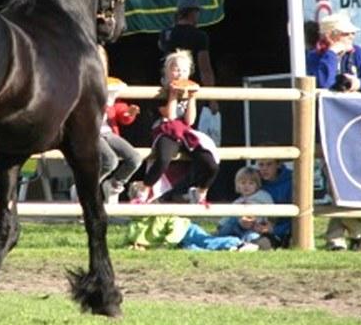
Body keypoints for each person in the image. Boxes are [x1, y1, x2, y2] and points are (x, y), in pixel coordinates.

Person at [306, 11, 361, 251]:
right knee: (334, 180)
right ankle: (350, 232)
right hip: (325, 127)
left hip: (353, 128)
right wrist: (331, 55)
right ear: (332, 36)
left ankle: (342, 236)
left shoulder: (359, 55)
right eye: (346, 33)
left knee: (346, 180)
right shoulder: (315, 57)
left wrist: (359, 83)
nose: (352, 36)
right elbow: (321, 81)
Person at [127, 49, 219, 204]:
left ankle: (201, 190)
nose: (179, 74)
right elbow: (170, 116)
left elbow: (189, 120)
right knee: (163, 159)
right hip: (166, 130)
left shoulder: (189, 90)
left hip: (185, 132)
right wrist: (173, 94)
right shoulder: (159, 92)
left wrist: (191, 98)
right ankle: (145, 188)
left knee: (210, 163)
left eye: (184, 70)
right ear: (167, 71)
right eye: (175, 69)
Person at [158, 0, 219, 115]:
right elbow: (205, 70)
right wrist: (212, 99)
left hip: (168, 89)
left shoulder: (165, 34)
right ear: (193, 13)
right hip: (191, 92)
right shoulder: (200, 36)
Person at [97, 45, 143, 203]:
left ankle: (113, 185)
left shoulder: (112, 85)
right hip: (91, 133)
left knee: (135, 158)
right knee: (110, 161)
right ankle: (86, 188)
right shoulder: (81, 82)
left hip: (109, 132)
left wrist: (128, 113)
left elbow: (118, 110)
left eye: (102, 63)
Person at [127, 215, 259, 252]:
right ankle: (231, 250)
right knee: (192, 250)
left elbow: (176, 230)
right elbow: (132, 238)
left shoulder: (162, 214)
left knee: (207, 242)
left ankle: (238, 243)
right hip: (178, 244)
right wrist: (133, 246)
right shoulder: (135, 223)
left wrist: (164, 246)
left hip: (187, 232)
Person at [217, 166, 274, 248]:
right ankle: (220, 239)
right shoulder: (237, 201)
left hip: (254, 227)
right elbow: (226, 219)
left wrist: (265, 225)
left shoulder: (263, 196)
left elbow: (272, 214)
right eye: (243, 183)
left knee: (253, 236)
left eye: (251, 183)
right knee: (232, 220)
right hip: (236, 227)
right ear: (238, 185)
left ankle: (245, 244)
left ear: (257, 185)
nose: (246, 186)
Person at [257, 158, 293, 248]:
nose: (264, 169)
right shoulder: (255, 180)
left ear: (278, 164)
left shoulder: (292, 180)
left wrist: (274, 229)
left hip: (286, 228)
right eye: (261, 165)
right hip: (259, 226)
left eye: (269, 164)